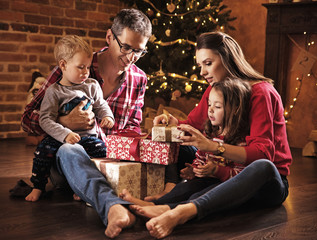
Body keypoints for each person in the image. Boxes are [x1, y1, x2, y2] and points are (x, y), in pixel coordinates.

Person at [137, 31, 292, 239]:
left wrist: (212, 147)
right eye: (200, 65)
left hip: (263, 182)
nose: (202, 72)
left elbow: (263, 154)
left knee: (263, 167)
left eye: (208, 63)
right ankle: (156, 203)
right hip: (225, 169)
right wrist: (173, 123)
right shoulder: (214, 90)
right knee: (184, 147)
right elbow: (193, 125)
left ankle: (182, 210)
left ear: (227, 59)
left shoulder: (261, 93)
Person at [21, 9, 152, 238]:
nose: (131, 57)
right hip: (68, 158)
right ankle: (112, 207)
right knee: (71, 150)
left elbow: (133, 126)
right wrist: (63, 121)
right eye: (126, 47)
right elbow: (28, 118)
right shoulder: (76, 64)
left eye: (139, 51)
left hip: (106, 159)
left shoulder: (139, 78)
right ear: (110, 37)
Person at [120, 78, 251, 210]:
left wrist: (216, 170)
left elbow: (241, 177)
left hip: (223, 186)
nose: (210, 110)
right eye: (209, 105)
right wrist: (193, 169)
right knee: (185, 187)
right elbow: (201, 156)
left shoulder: (240, 141)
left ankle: (164, 209)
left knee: (200, 196)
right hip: (205, 179)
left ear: (235, 109)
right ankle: (155, 204)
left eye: (217, 106)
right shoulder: (210, 132)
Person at [25, 35, 115, 202]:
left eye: (87, 67)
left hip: (88, 137)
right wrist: (65, 134)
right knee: (42, 152)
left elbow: (101, 105)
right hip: (60, 139)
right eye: (80, 67)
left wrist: (107, 116)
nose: (86, 72)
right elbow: (45, 120)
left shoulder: (92, 85)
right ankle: (38, 186)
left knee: (105, 153)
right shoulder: (54, 92)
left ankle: (85, 186)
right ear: (63, 65)